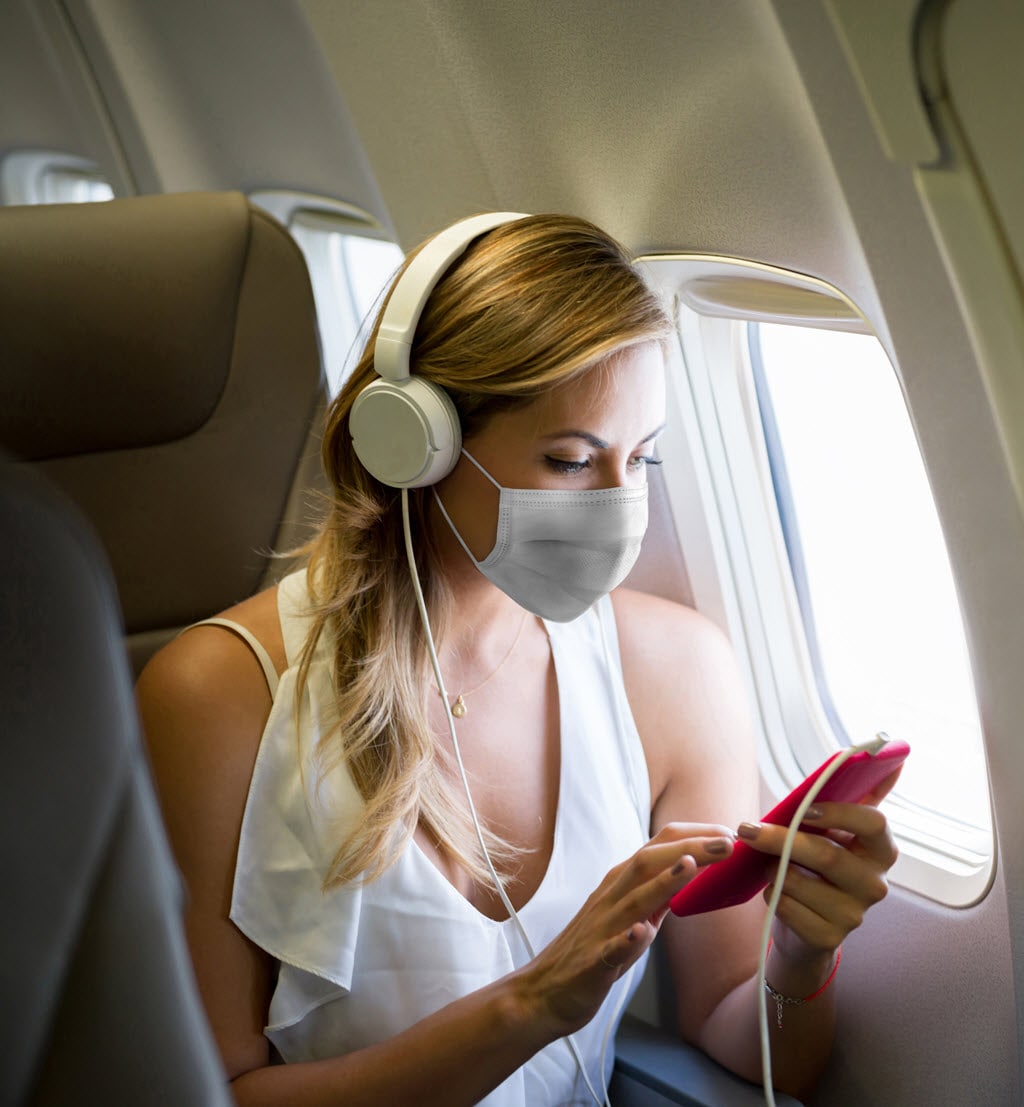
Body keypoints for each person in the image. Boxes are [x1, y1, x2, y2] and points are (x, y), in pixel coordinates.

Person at [136, 212, 901, 1106]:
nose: (620, 505)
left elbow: (752, 1045)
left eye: (642, 458)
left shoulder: (677, 673)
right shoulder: (218, 695)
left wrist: (804, 953)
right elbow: (212, 1094)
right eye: (573, 461)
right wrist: (534, 1004)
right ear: (414, 443)